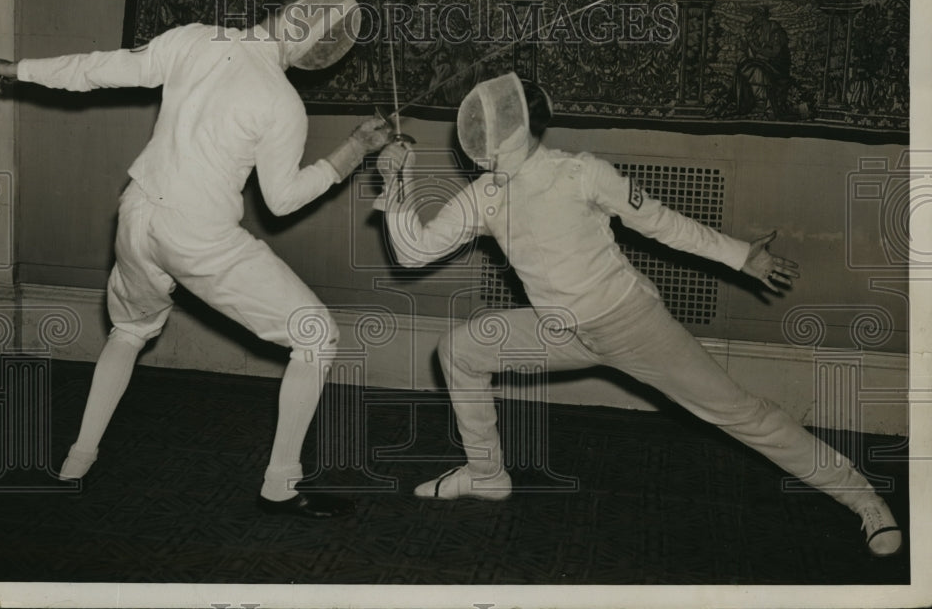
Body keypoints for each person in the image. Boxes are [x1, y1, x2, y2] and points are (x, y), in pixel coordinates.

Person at [374, 72, 902, 556]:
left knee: (743, 413)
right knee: (460, 350)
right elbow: (412, 251)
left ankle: (862, 497)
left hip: (634, 325)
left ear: (513, 126)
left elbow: (665, 224)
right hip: (559, 331)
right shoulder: (482, 195)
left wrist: (743, 257)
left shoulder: (581, 173)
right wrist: (396, 181)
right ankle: (486, 472)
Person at [0, 0, 391, 518]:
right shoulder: (280, 100)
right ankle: (280, 485)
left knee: (130, 330)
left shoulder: (196, 38)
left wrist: (19, 69)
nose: (327, 46)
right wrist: (351, 153)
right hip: (196, 235)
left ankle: (75, 464)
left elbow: (104, 68)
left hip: (136, 217)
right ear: (300, 18)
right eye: (326, 29)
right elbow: (284, 200)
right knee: (317, 335)